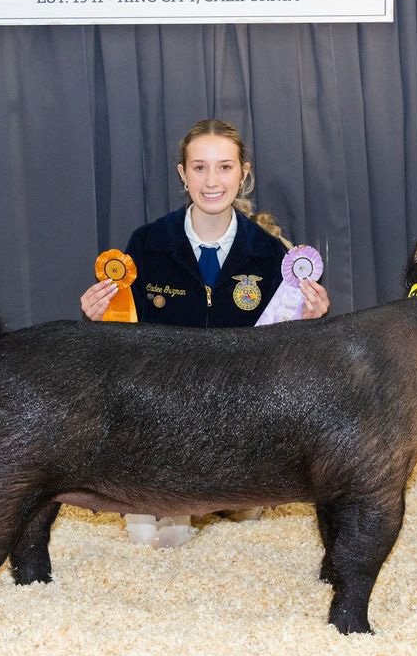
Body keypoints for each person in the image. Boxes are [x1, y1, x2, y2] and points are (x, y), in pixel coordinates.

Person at [78, 118, 330, 546]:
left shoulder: (270, 254)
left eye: (225, 167)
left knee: (245, 515)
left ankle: (230, 492)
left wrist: (311, 322)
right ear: (182, 174)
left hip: (238, 414)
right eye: (199, 167)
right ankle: (166, 493)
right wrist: (96, 314)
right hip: (162, 415)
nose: (212, 180)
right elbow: (121, 342)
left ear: (243, 173)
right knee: (150, 540)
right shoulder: (147, 243)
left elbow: (283, 354)